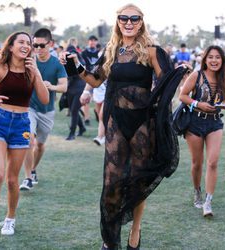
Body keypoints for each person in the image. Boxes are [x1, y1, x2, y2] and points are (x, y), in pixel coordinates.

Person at [60, 4, 188, 249]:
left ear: (141, 22)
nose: (128, 22)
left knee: (138, 180)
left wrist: (177, 74)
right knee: (111, 181)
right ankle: (110, 240)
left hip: (142, 123)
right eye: (123, 18)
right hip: (116, 121)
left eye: (134, 18)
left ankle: (135, 231)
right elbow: (95, 79)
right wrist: (74, 65)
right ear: (117, 21)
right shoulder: (112, 50)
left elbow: (164, 82)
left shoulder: (152, 51)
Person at [0, 31, 49, 242]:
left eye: (29, 43)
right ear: (11, 46)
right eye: (21, 42)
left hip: (22, 124)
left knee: (12, 180)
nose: (26, 46)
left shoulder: (31, 71)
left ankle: (10, 218)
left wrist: (37, 75)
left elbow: (44, 99)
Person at [179, 45, 225, 217]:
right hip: (195, 122)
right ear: (205, 59)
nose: (214, 60)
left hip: (215, 123)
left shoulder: (224, 78)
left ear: (222, 60)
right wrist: (198, 104)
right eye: (211, 57)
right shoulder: (197, 75)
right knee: (197, 163)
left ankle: (208, 202)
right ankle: (197, 191)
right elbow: (183, 95)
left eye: (218, 57)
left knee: (213, 162)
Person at [19, 28, 67, 190]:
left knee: (39, 145)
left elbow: (64, 87)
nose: (38, 49)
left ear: (50, 44)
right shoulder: (28, 61)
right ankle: (27, 178)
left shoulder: (57, 64)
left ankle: (32, 170)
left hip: (47, 110)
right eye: (35, 45)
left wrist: (51, 86)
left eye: (41, 45)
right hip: (29, 108)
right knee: (29, 140)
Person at [64, 37, 86, 140]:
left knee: (74, 110)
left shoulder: (78, 57)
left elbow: (83, 70)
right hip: (71, 88)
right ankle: (81, 128)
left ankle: (72, 133)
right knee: (74, 110)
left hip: (79, 87)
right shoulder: (67, 57)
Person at [81, 35, 100, 126]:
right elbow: (82, 65)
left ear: (96, 42)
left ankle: (98, 113)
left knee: (97, 99)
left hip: (98, 78)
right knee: (86, 98)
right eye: (91, 40)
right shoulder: (84, 53)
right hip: (88, 77)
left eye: (94, 41)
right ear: (88, 42)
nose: (92, 42)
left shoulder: (99, 53)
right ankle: (87, 118)